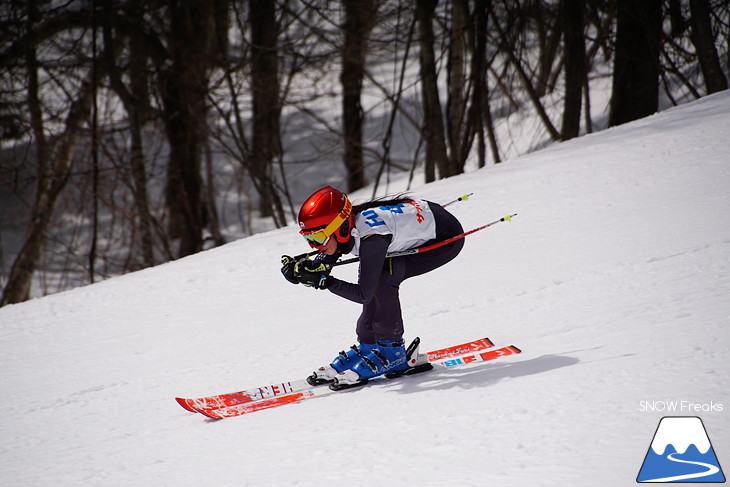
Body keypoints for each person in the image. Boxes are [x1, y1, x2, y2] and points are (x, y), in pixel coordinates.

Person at [281, 186, 464, 387]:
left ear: (340, 228)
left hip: (446, 239)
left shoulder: (372, 239)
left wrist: (325, 282)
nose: (314, 246)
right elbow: (331, 252)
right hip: (428, 219)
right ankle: (370, 345)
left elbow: (363, 295)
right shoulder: (349, 226)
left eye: (317, 237)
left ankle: (393, 353)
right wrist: (305, 269)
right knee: (376, 272)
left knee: (384, 275)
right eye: (308, 238)